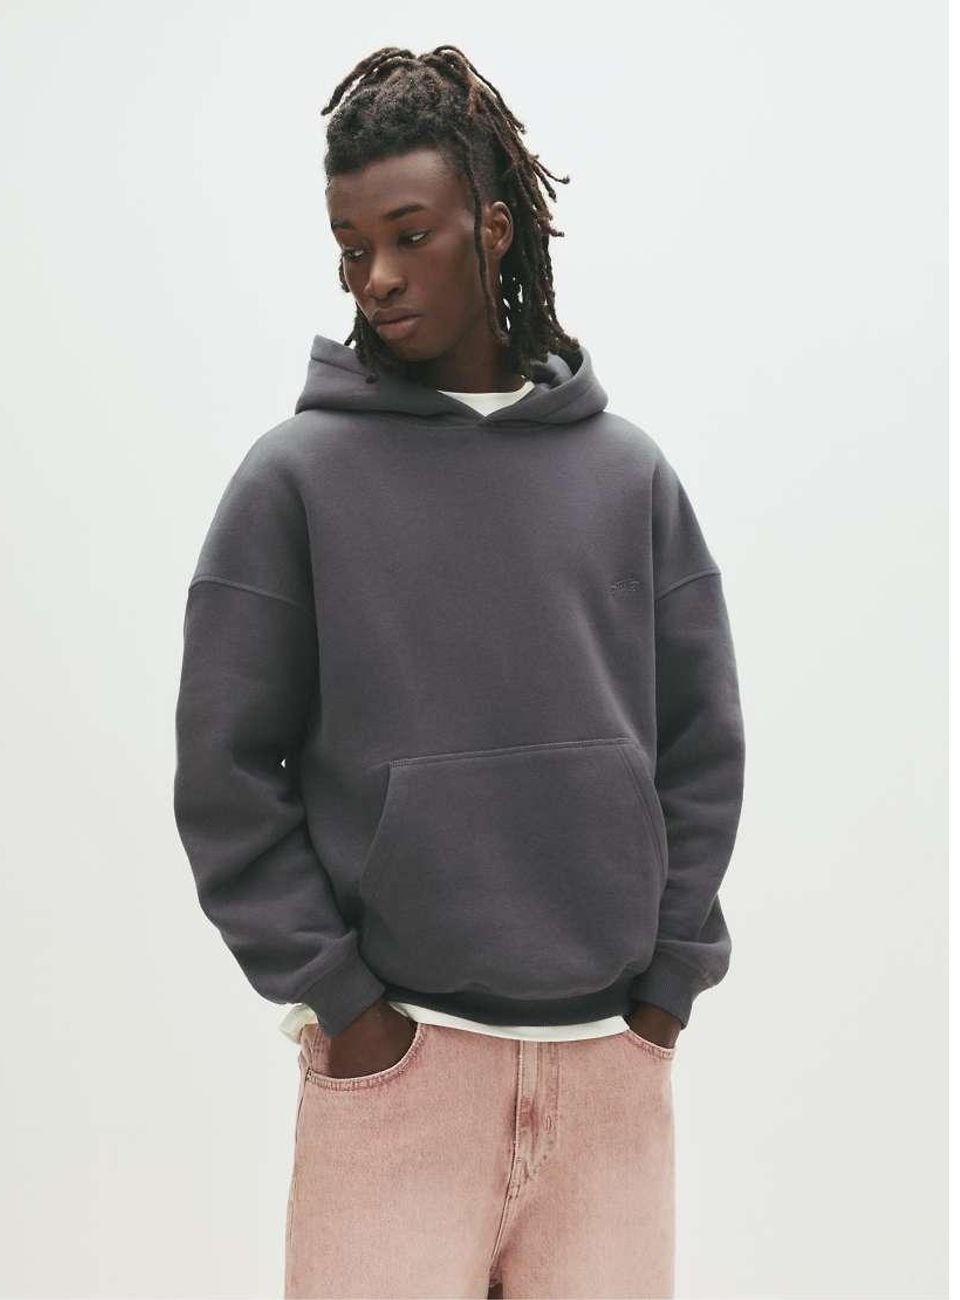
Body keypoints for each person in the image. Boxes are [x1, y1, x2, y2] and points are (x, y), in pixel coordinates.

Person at [173, 43, 746, 1300]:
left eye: (407, 234)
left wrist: (664, 989)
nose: (374, 276)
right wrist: (343, 1006)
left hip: (608, 1074)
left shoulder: (627, 477)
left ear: (491, 228)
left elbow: (702, 747)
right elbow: (225, 774)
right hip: (399, 1077)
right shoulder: (293, 482)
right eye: (349, 246)